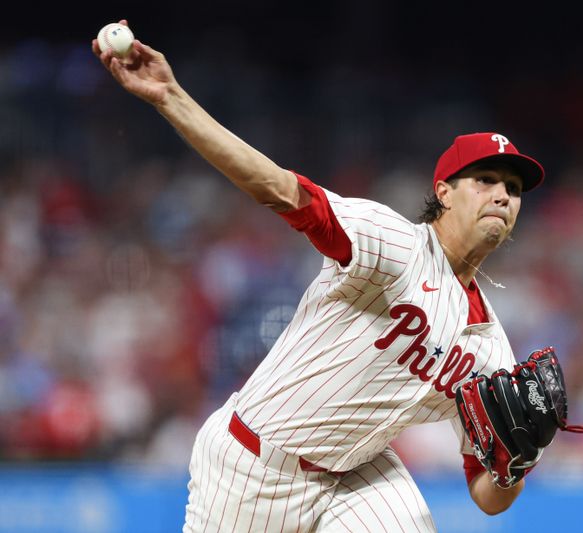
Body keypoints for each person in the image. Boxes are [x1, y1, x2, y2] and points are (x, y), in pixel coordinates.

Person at [93, 21, 549, 532]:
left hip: (355, 475)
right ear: (443, 191)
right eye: (485, 180)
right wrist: (171, 98)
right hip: (252, 463)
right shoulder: (393, 244)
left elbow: (486, 495)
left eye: (513, 188)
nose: (503, 195)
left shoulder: (492, 353)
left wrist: (515, 466)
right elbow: (281, 191)